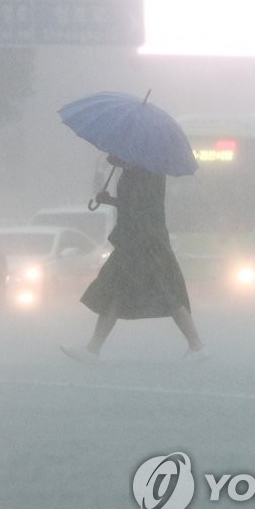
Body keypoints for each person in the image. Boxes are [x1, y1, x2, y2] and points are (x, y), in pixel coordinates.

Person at [61, 154, 207, 363]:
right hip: (136, 241)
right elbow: (134, 204)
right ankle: (93, 349)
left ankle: (197, 345)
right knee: (118, 292)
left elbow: (139, 206)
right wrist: (109, 199)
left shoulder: (147, 172)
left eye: (117, 152)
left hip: (144, 243)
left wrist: (110, 199)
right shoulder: (140, 170)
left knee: (164, 292)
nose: (111, 156)